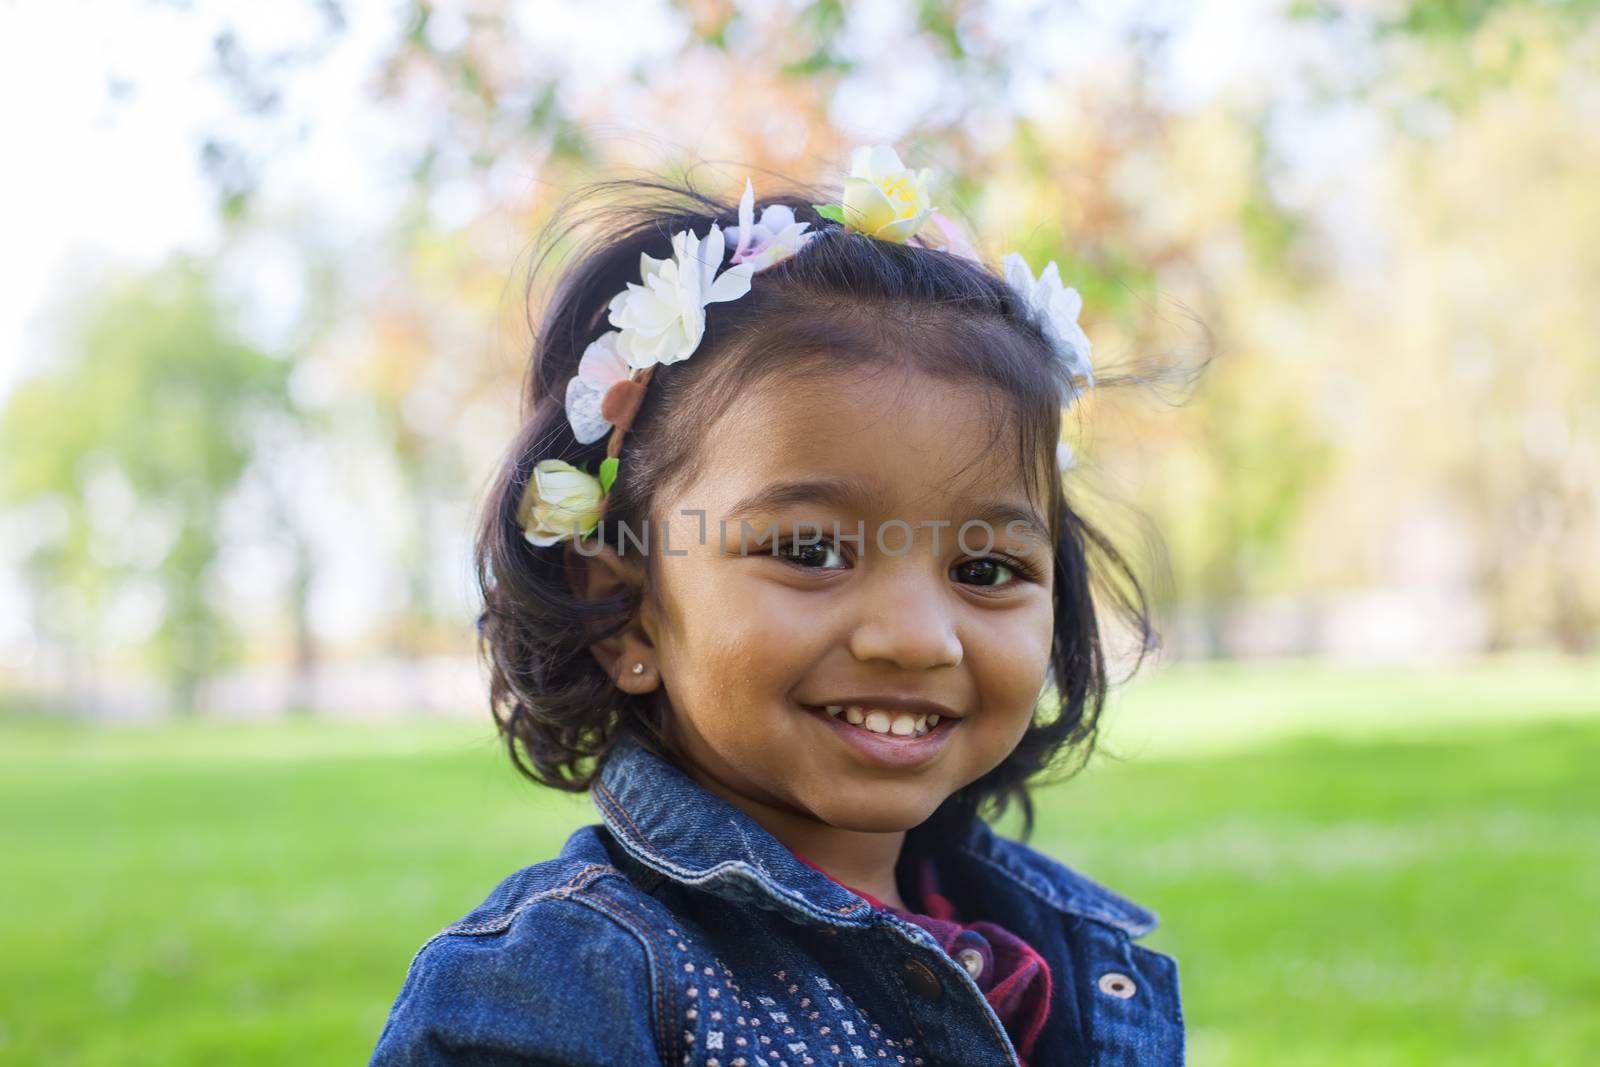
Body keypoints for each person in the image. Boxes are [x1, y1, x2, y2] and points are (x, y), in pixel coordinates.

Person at [369, 145, 1184, 1066]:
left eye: (988, 569)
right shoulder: (569, 988)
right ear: (628, 613)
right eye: (808, 550)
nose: (916, 638)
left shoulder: (1068, 949)